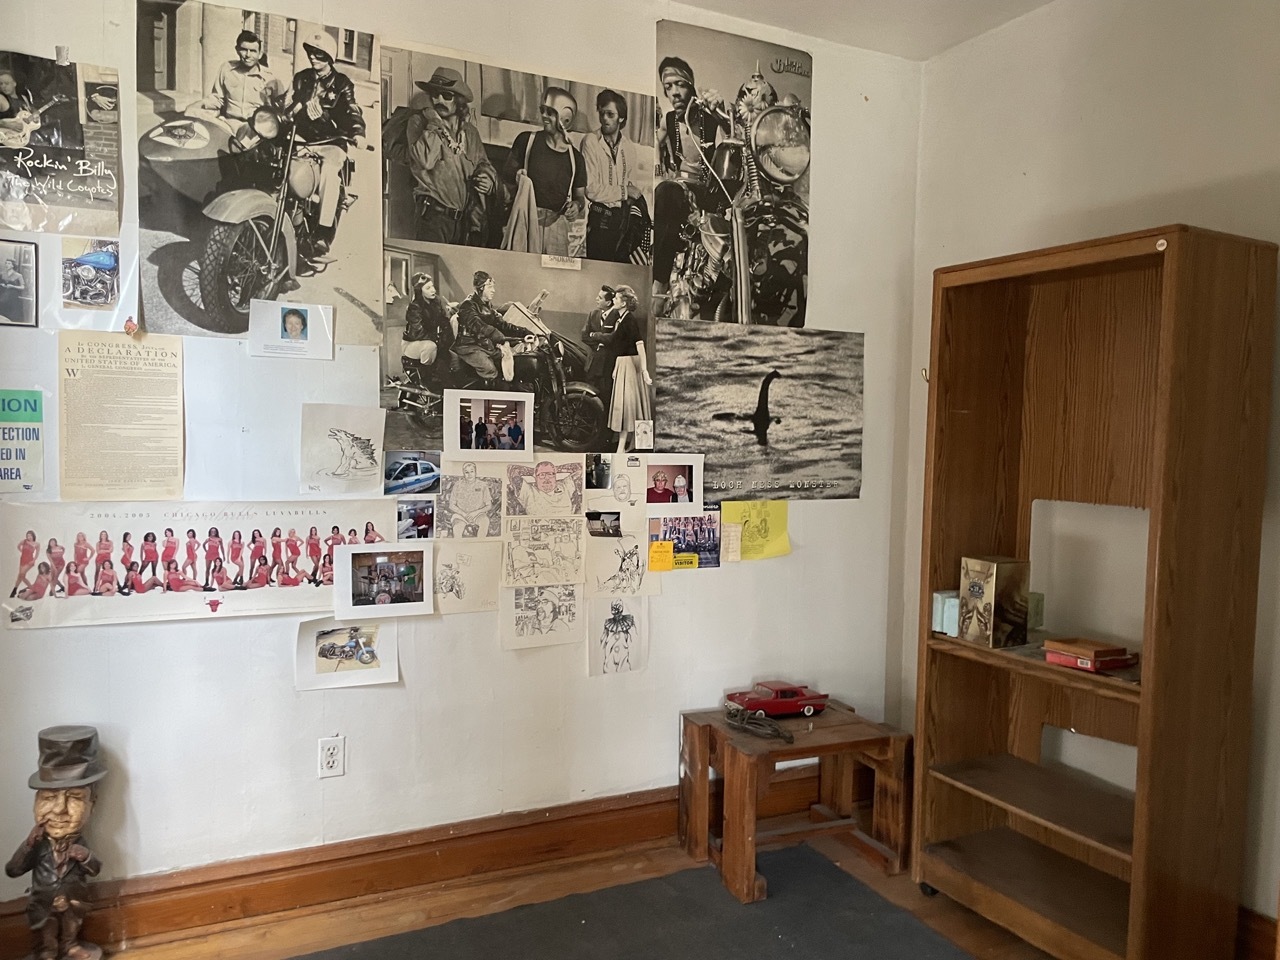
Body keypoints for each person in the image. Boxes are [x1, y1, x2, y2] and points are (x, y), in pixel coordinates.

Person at [6, 726, 107, 960]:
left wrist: (86, 857)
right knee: (47, 933)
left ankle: (70, 946)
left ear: (93, 803)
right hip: (43, 905)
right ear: (35, 802)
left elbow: (95, 868)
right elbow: (13, 870)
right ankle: (47, 951)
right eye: (49, 797)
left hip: (74, 902)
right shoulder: (37, 845)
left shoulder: (80, 844)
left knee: (71, 926)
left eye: (74, 797)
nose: (59, 809)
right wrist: (29, 845)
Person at [287, 31, 367, 268]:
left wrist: (358, 133)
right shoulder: (302, 78)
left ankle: (322, 234)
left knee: (330, 175)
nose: (314, 58)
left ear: (330, 57)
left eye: (320, 55)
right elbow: (292, 103)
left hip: (332, 141)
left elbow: (353, 110)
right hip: (302, 140)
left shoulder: (342, 83)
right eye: (311, 53)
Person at [407, 67, 496, 245]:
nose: (439, 100)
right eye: (434, 94)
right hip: (432, 217)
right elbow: (425, 160)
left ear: (459, 100)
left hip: (464, 222)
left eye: (446, 95)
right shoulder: (419, 123)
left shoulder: (470, 133)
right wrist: (434, 121)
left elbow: (484, 164)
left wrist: (488, 180)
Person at [505, 87, 587, 256]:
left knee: (553, 277)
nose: (544, 116)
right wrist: (517, 177)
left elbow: (580, 197)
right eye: (542, 110)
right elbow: (506, 177)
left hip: (557, 227)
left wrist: (576, 206)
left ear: (566, 118)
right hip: (525, 221)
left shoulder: (576, 158)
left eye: (550, 112)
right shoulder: (526, 140)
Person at [183, 30, 282, 135]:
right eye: (244, 50)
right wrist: (197, 106)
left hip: (255, 130)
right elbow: (217, 98)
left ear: (260, 54)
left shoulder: (270, 78)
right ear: (237, 50)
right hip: (228, 124)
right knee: (192, 113)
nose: (248, 55)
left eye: (253, 51)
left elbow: (281, 106)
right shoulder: (226, 69)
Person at [582, 90, 641, 261]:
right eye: (602, 114)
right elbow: (591, 189)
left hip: (622, 220)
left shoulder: (629, 147)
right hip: (600, 219)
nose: (604, 119)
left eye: (610, 114)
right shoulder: (590, 141)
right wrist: (624, 192)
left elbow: (633, 188)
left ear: (621, 117)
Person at [600, 285, 652, 452]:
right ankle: (631, 444)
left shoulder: (629, 320)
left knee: (626, 408)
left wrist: (644, 370)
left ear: (623, 303)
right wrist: (616, 366)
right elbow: (619, 346)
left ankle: (621, 448)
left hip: (631, 364)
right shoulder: (620, 319)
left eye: (616, 298)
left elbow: (640, 345)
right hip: (623, 364)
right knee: (629, 407)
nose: (613, 300)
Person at [452, 271, 527, 382]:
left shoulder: (487, 306)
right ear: (481, 288)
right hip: (468, 347)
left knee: (511, 361)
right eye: (490, 287)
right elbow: (478, 326)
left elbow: (502, 324)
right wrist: (496, 335)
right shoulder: (468, 305)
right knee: (490, 370)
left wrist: (524, 332)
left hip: (484, 345)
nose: (493, 290)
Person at [400, 273, 454, 389]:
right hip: (412, 344)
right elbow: (418, 332)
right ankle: (426, 378)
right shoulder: (414, 307)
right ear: (420, 291)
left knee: (448, 353)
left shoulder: (436, 303)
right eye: (428, 288)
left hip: (429, 341)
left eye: (433, 286)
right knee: (431, 346)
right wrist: (437, 340)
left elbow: (444, 321)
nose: (433, 290)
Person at [580, 285, 618, 392]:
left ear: (608, 303)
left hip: (608, 364)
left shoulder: (617, 317)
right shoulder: (593, 314)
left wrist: (595, 335)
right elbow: (584, 336)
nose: (596, 299)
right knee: (588, 391)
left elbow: (613, 339)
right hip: (592, 363)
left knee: (605, 392)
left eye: (600, 298)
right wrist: (599, 344)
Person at [448, 462, 496, 538]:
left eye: (471, 471)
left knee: (485, 521)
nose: (469, 474)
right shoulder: (457, 485)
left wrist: (475, 513)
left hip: (478, 515)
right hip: (461, 515)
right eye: (466, 472)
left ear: (475, 472)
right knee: (457, 528)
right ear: (463, 473)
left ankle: (480, 545)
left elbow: (489, 505)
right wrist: (464, 514)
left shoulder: (483, 485)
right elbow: (451, 505)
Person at [10, 529, 38, 598]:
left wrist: (34, 560)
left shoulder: (36, 544)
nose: (29, 537)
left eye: (30, 535)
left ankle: (32, 588)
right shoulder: (24, 541)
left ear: (33, 536)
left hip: (30, 561)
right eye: (28, 536)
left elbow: (37, 553)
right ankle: (14, 590)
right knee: (20, 576)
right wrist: (22, 551)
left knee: (21, 575)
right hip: (22, 560)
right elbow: (18, 546)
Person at [0, 257, 26, 324]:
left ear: (13, 265)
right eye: (6, 263)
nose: (6, 265)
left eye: (9, 263)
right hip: (3, 295)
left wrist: (13, 286)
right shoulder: (2, 274)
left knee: (11, 315)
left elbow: (23, 287)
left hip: (12, 297)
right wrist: (2, 284)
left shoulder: (18, 275)